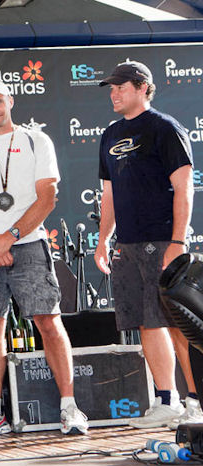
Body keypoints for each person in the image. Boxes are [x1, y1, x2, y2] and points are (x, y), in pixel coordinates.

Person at [0, 81, 89, 436]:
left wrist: (9, 238)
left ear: (10, 102)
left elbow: (48, 196)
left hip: (28, 244)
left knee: (48, 321)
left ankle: (69, 407)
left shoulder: (35, 140)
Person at [94, 60, 200, 429]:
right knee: (146, 324)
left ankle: (196, 402)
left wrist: (177, 240)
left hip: (162, 240)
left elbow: (185, 186)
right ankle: (167, 402)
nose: (114, 93)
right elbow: (108, 194)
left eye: (120, 87)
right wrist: (104, 239)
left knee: (176, 323)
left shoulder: (164, 128)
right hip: (128, 243)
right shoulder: (109, 134)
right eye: (111, 88)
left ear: (142, 87)